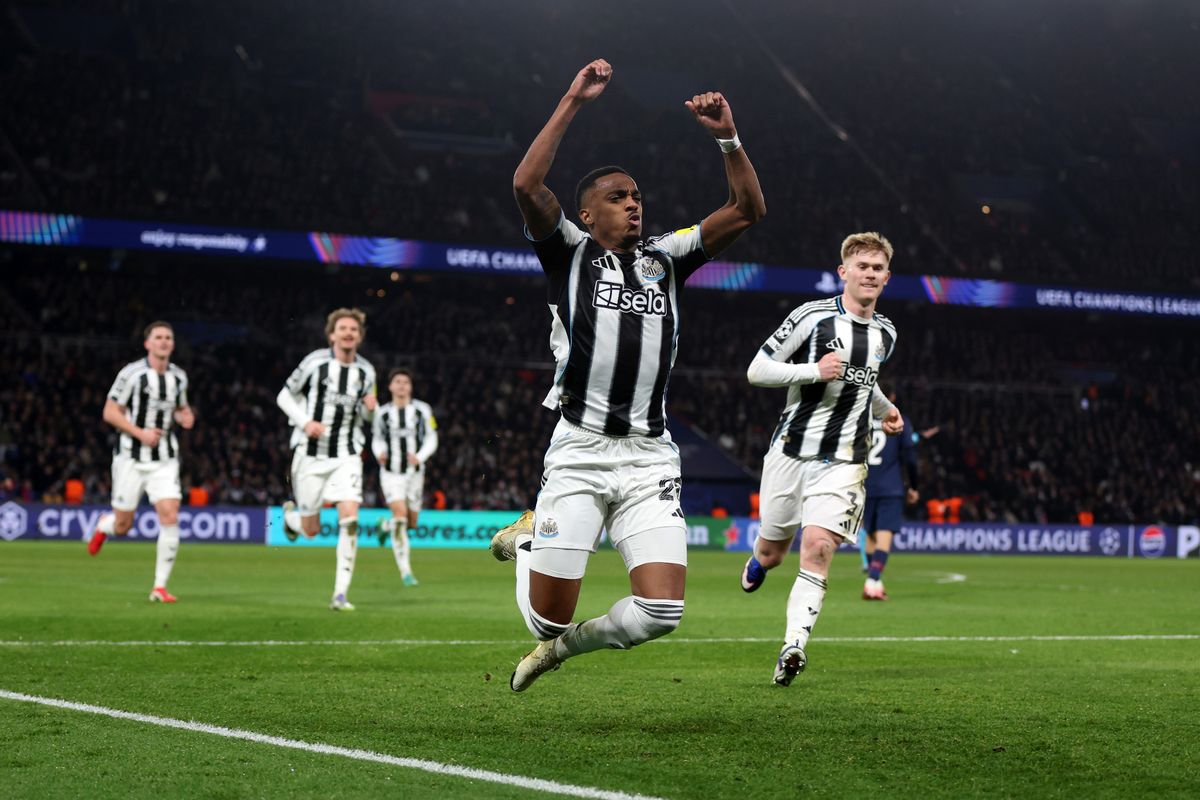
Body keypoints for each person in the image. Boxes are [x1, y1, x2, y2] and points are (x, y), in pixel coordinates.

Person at [489, 58, 765, 692]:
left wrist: (728, 138)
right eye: (617, 198)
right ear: (588, 215)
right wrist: (573, 99)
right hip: (581, 448)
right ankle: (530, 546)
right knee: (541, 618)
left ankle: (562, 654)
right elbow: (527, 184)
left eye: (637, 196)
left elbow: (747, 208)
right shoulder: (568, 252)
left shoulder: (667, 258)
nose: (633, 205)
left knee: (662, 611)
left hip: (648, 455)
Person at [740, 232, 904, 686]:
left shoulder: (886, 334)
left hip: (845, 459)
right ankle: (759, 560)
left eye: (877, 268)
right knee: (774, 553)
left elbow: (864, 383)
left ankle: (794, 646)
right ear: (844, 272)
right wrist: (813, 370)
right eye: (862, 266)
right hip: (791, 453)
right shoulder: (811, 317)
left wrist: (884, 408)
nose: (869, 274)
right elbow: (757, 370)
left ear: (886, 278)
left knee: (819, 546)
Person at [276, 308, 377, 611]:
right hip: (310, 455)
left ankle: (340, 594)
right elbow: (284, 396)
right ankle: (292, 521)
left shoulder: (366, 372)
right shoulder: (314, 363)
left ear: (359, 337)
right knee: (311, 530)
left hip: (346, 454)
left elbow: (367, 415)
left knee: (350, 517)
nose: (348, 333)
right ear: (331, 334)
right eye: (343, 329)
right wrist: (306, 421)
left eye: (353, 330)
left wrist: (371, 409)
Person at [88, 321, 194, 604]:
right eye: (158, 337)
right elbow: (110, 412)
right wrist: (140, 433)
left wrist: (186, 417)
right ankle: (104, 525)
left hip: (164, 459)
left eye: (168, 338)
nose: (163, 342)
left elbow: (182, 409)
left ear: (172, 344)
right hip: (130, 458)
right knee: (123, 526)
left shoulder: (179, 378)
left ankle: (159, 587)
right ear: (147, 343)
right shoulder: (132, 374)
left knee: (170, 514)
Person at [372, 368, 438, 587]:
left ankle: (385, 526)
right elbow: (377, 439)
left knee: (411, 523)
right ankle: (406, 572)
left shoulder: (422, 410)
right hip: (391, 473)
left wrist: (419, 457)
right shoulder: (382, 413)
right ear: (390, 386)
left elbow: (431, 438)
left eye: (405, 382)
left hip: (415, 473)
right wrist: (379, 452)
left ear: (410, 387)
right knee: (400, 516)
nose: (401, 385)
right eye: (397, 381)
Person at [859, 386, 919, 600]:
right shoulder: (897, 419)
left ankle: (875, 582)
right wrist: (913, 485)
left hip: (864, 484)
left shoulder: (860, 418)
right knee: (884, 535)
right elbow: (910, 456)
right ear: (891, 397)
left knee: (871, 535)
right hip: (889, 486)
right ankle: (872, 581)